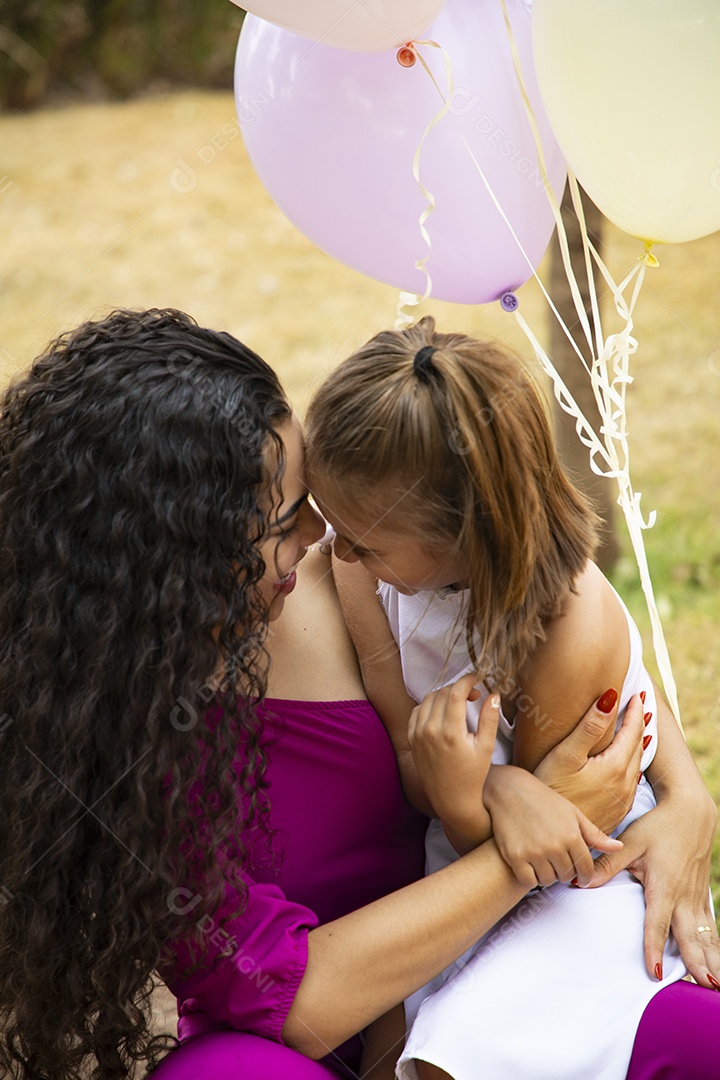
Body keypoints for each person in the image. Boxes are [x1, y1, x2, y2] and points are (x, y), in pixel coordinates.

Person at [0, 309, 715, 1080]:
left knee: (698, 1034)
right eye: (284, 520)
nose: (323, 531)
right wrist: (512, 831)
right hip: (339, 1027)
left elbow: (543, 599)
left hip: (520, 958)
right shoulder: (93, 737)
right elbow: (294, 1003)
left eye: (312, 493)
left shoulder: (355, 569)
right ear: (181, 559)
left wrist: (682, 794)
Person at [305, 316, 720, 1079]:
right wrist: (484, 788)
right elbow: (408, 743)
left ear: (467, 528)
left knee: (455, 1047)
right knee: (390, 1038)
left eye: (363, 539)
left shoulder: (566, 630)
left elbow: (554, 848)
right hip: (469, 847)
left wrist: (469, 802)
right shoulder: (359, 559)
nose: (336, 552)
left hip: (591, 870)